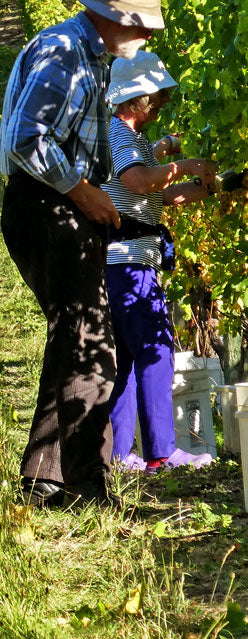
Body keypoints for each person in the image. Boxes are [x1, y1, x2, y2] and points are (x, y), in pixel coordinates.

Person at [0, 0, 165, 509]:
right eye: (142, 24)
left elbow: (85, 148)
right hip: (48, 205)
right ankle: (87, 485)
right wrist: (82, 193)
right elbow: (26, 139)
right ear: (114, 13)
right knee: (94, 345)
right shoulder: (66, 52)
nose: (147, 35)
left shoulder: (90, 55)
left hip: (56, 204)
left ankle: (45, 479)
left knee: (73, 339)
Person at [103, 52, 216, 472]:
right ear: (139, 97)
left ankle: (119, 457)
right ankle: (161, 455)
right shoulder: (119, 135)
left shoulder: (131, 141)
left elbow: (162, 193)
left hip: (126, 264)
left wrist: (216, 186)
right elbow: (136, 181)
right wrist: (181, 163)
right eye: (159, 95)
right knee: (156, 351)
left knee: (130, 357)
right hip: (128, 264)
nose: (163, 101)